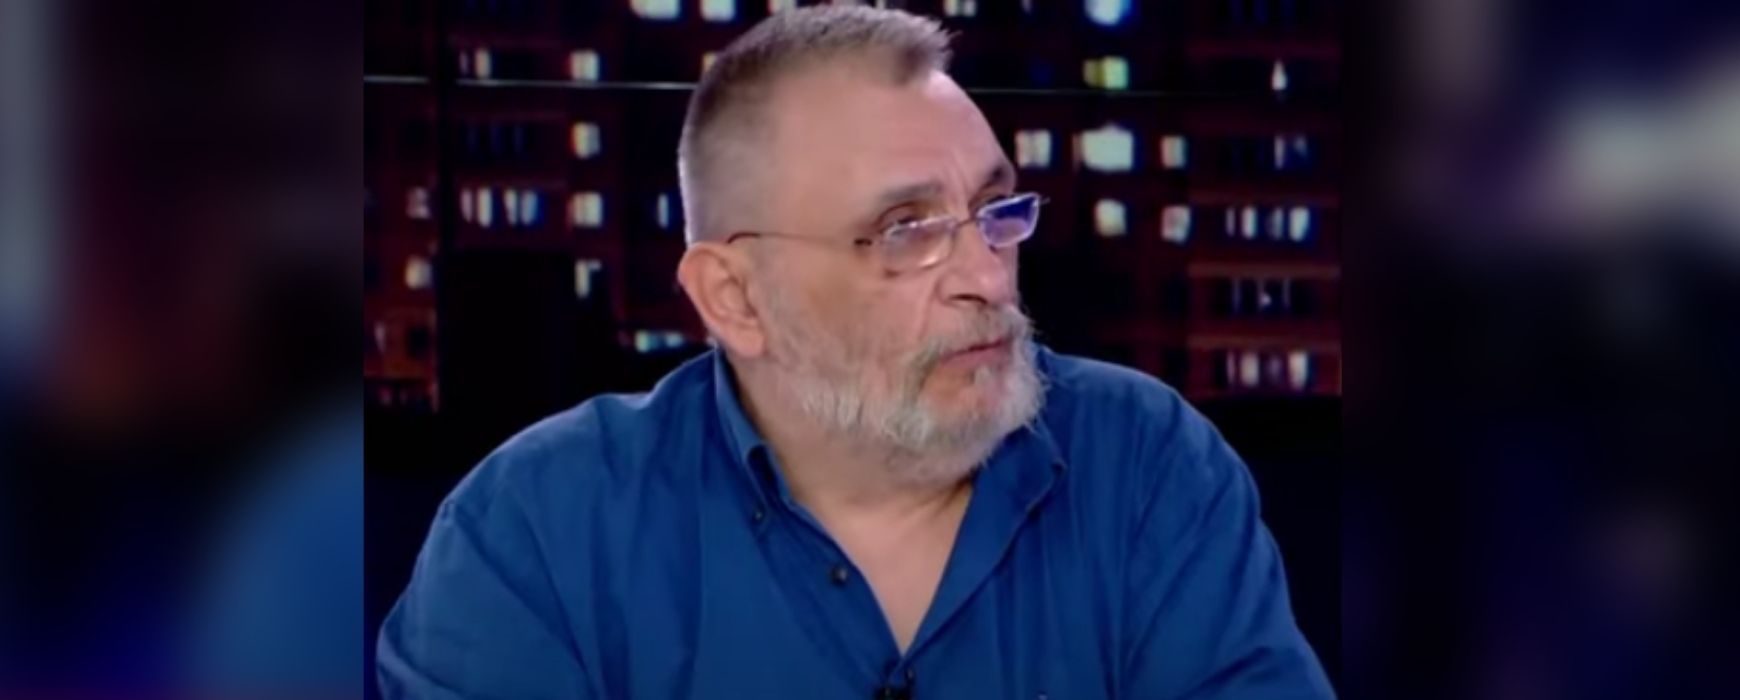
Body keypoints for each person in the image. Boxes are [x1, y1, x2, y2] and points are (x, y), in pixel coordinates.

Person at [377, 6, 1333, 699]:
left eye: (994, 210)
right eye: (906, 230)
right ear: (736, 299)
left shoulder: (1149, 466)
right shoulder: (537, 533)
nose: (988, 277)